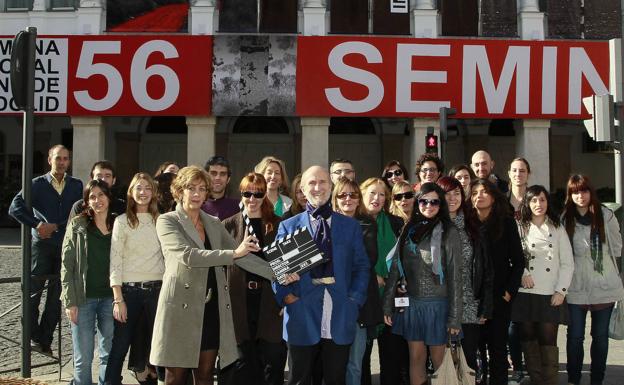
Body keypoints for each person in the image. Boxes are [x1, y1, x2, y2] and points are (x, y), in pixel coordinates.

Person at [149, 166, 276, 385]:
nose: (196, 194)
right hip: (179, 308)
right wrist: (234, 253)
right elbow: (189, 256)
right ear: (179, 190)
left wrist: (279, 274)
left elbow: (243, 258)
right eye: (191, 188)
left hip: (210, 309)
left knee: (206, 376)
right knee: (174, 378)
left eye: (201, 189)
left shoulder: (213, 223)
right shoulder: (167, 221)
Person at [273, 166, 369, 385]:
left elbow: (362, 267)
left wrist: (354, 299)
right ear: (303, 190)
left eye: (323, 182)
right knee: (300, 379)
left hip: (340, 312)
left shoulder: (350, 226)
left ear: (331, 185)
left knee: (336, 378)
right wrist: (288, 298)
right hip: (302, 313)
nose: (318, 187)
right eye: (312, 183)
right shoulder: (289, 226)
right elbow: (278, 270)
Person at [382, 182, 462, 385]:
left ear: (441, 204)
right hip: (412, 305)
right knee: (416, 359)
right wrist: (387, 304)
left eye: (435, 201)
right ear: (418, 202)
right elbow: (395, 269)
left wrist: (455, 317)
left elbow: (455, 276)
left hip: (438, 306)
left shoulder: (449, 232)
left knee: (439, 362)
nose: (429, 205)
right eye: (424, 201)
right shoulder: (409, 229)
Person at [9, 144, 83, 354]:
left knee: (57, 296)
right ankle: (33, 337)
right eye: (58, 158)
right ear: (49, 160)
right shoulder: (37, 184)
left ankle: (45, 340)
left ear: (69, 161)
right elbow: (14, 207)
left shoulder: (76, 185)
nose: (62, 162)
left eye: (65, 159)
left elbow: (79, 213)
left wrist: (58, 226)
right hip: (41, 246)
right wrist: (37, 224)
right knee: (33, 293)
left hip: (65, 247)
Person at [221, 173, 286, 385]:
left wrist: (287, 297)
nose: (252, 198)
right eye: (247, 193)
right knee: (243, 365)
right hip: (239, 300)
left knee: (272, 364)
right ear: (240, 193)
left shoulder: (278, 225)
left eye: (258, 193)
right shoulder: (228, 225)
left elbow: (287, 266)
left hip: (269, 300)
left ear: (265, 193)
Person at [562, 174, 624, 385]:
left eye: (584, 190)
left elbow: (617, 248)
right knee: (575, 336)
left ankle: (597, 379)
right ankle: (573, 379)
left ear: (591, 192)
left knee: (600, 337)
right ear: (570, 195)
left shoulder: (605, 216)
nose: (580, 196)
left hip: (603, 285)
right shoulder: (564, 219)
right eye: (575, 192)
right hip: (575, 286)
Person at [105, 173, 165, 385]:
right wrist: (118, 299)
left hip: (158, 292)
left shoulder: (162, 221)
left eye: (148, 188)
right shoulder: (122, 222)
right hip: (129, 293)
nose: (143, 192)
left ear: (154, 192)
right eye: (138, 188)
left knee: (158, 348)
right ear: (131, 192)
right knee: (120, 346)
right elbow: (115, 261)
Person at [512, 185, 574, 385]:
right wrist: (522, 273)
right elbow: (510, 257)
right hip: (525, 292)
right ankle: (536, 380)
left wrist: (561, 291)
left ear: (548, 202)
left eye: (542, 200)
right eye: (534, 200)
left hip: (550, 292)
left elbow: (567, 263)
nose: (538, 204)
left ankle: (550, 381)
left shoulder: (557, 227)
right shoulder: (518, 226)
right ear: (527, 204)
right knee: (528, 339)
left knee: (548, 341)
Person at [60, 179, 115, 385]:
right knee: (83, 358)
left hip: (111, 299)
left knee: (108, 355)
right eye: (92, 197)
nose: (97, 200)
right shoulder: (78, 224)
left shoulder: (118, 224)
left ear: (109, 197)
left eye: (101, 195)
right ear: (86, 202)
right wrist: (70, 301)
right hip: (83, 299)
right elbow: (67, 264)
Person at [436, 176, 493, 376]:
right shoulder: (433, 227)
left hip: (470, 304)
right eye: (447, 194)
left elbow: (486, 269)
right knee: (442, 364)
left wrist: (485, 305)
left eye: (456, 193)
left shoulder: (473, 226)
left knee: (469, 361)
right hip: (440, 304)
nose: (452, 198)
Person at [469, 179, 524, 385]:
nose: (479, 196)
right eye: (474, 192)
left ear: (493, 196)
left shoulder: (506, 222)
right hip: (473, 296)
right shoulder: (467, 224)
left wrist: (509, 292)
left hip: (500, 296)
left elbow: (518, 261)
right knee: (476, 351)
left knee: (498, 350)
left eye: (484, 192)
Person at [331, 178, 384, 385]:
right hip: (332, 301)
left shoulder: (367, 222)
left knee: (355, 363)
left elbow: (368, 258)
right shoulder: (328, 222)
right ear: (335, 198)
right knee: (334, 362)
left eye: (353, 195)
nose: (348, 199)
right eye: (342, 195)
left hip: (358, 302)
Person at [359, 177, 408, 385]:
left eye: (381, 194)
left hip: (392, 297)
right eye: (372, 193)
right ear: (362, 194)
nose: (377, 198)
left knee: (392, 357)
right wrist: (373, 278)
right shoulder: (354, 222)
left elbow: (404, 258)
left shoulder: (395, 223)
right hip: (365, 299)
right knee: (362, 359)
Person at [506, 157, 531, 384]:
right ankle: (517, 366)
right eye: (514, 170)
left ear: (528, 174)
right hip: (511, 268)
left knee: (528, 321)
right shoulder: (502, 201)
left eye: (522, 170)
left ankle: (530, 363)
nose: (518, 174)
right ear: (509, 173)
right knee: (513, 322)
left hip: (534, 268)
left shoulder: (535, 199)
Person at [201, 156, 240, 221]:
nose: (218, 178)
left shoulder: (238, 207)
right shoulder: (198, 205)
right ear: (206, 177)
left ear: (228, 179)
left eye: (222, 174)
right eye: (213, 173)